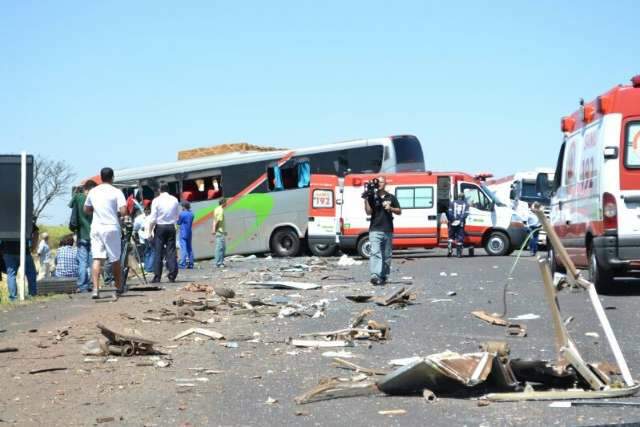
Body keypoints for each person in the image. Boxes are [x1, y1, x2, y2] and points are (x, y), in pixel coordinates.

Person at [84, 167, 127, 299]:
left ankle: (96, 289)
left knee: (97, 259)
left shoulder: (93, 191)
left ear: (101, 178)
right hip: (111, 227)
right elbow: (124, 211)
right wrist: (116, 214)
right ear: (112, 178)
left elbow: (86, 209)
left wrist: (96, 212)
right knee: (115, 259)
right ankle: (119, 287)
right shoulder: (116, 192)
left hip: (96, 228)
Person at [364, 177, 401, 285]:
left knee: (387, 254)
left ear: (385, 184)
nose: (379, 184)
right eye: (377, 182)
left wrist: (391, 208)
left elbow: (399, 211)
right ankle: (375, 276)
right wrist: (366, 199)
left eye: (381, 182)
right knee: (375, 252)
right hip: (375, 229)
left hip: (388, 229)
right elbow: (368, 212)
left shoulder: (391, 197)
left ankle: (383, 275)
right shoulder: (372, 196)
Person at [69, 179, 97, 292]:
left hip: (82, 234)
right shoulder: (97, 198)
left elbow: (73, 211)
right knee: (93, 261)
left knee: (82, 262)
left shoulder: (78, 197)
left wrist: (72, 227)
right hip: (95, 234)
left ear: (85, 188)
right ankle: (92, 283)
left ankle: (82, 285)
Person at [149, 183, 180, 283]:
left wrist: (149, 231)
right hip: (171, 226)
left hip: (160, 227)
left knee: (158, 252)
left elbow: (153, 218)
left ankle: (157, 276)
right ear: (168, 189)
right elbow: (176, 216)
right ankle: (172, 275)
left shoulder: (156, 200)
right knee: (171, 251)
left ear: (159, 190)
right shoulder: (174, 199)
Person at [0, 224, 39, 300]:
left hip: (8, 252)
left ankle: (13, 298)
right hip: (24, 251)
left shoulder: (3, 218)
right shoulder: (24, 216)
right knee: (31, 273)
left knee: (11, 275)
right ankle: (32, 294)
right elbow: (36, 232)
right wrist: (33, 246)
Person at [448, 193, 469, 258]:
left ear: (458, 197)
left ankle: (450, 250)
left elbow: (450, 213)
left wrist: (453, 219)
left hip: (453, 222)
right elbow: (466, 214)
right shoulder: (466, 204)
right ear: (463, 197)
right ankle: (458, 254)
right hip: (461, 223)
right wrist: (460, 219)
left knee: (451, 236)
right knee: (460, 237)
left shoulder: (452, 203)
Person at [177, 201, 195, 269]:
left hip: (183, 232)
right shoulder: (191, 214)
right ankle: (191, 263)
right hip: (189, 232)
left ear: (183, 207)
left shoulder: (182, 214)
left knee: (183, 248)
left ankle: (183, 263)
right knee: (189, 248)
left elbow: (178, 222)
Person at [212, 198, 227, 268]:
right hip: (220, 232)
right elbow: (218, 221)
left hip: (220, 231)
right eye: (226, 202)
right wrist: (215, 230)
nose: (227, 204)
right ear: (223, 203)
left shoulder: (216, 209)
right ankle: (219, 263)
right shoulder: (221, 210)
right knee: (221, 248)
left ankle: (219, 262)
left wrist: (213, 229)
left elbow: (214, 220)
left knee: (220, 247)